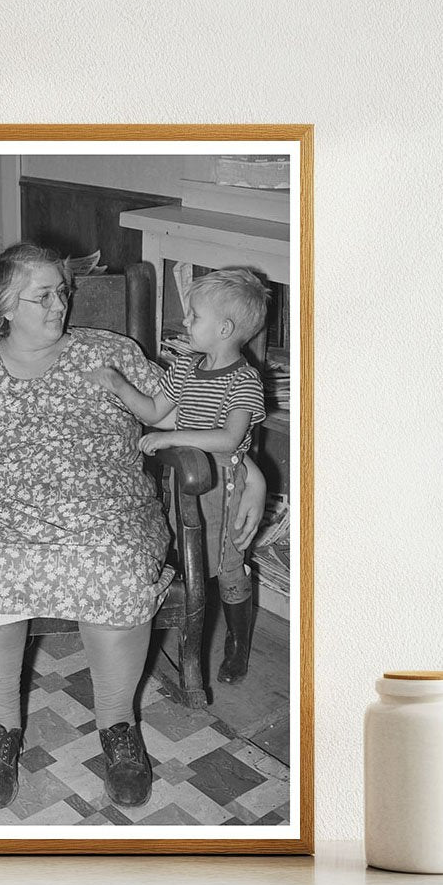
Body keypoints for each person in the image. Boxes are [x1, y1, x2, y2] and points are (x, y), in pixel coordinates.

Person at [0, 245, 266, 813]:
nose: (59, 302)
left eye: (61, 291)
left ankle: (117, 726)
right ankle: (0, 728)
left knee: (114, 560)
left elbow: (189, 412)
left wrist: (253, 469)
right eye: (42, 294)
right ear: (2, 307)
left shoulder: (109, 351)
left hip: (104, 503)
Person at [85, 266, 269, 686]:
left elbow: (229, 438)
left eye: (194, 317)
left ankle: (238, 646)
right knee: (183, 554)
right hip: (183, 479)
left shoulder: (244, 381)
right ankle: (184, 630)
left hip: (224, 485)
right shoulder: (186, 367)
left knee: (227, 565)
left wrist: (173, 439)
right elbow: (152, 411)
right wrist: (117, 383)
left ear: (224, 328)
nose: (185, 323)